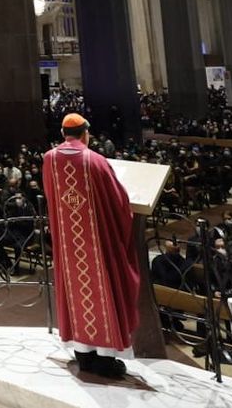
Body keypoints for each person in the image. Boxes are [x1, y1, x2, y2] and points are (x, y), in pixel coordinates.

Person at [43, 113, 140, 380]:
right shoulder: (95, 161)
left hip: (67, 242)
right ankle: (105, 359)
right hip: (97, 242)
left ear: (64, 134)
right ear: (86, 133)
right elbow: (118, 202)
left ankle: (82, 354)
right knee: (103, 288)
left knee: (75, 289)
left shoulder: (49, 159)